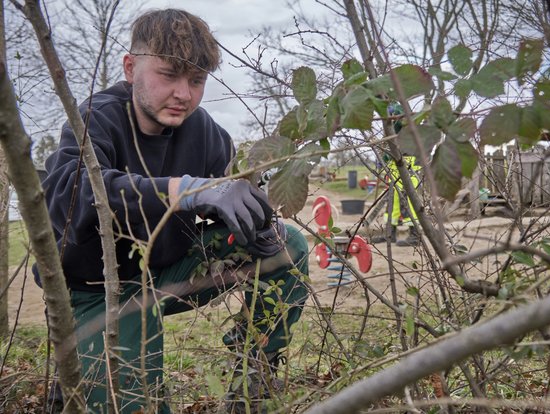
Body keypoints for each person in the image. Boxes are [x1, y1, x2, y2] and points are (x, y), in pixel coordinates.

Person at [36, 9, 308, 413]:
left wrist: (253, 218)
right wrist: (185, 191)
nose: (184, 93)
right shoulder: (96, 119)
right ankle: (79, 371)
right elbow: (69, 197)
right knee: (137, 405)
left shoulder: (205, 131)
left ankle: (254, 374)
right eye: (169, 75)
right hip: (97, 294)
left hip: (170, 275)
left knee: (289, 246)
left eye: (197, 80)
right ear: (131, 68)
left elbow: (230, 191)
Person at [372, 104, 422, 247]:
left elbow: (405, 120)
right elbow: (389, 141)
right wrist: (383, 159)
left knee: (410, 199)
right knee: (392, 201)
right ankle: (390, 234)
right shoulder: (388, 118)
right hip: (395, 162)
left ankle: (415, 235)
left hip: (408, 161)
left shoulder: (398, 109)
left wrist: (394, 114)